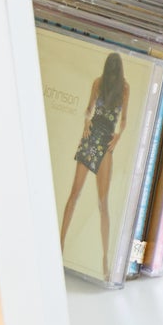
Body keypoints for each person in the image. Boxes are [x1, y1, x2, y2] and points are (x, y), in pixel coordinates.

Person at [59, 52, 130, 267]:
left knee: (103, 203)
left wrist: (119, 135)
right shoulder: (98, 83)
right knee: (74, 194)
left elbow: (124, 119)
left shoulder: (124, 88)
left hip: (107, 139)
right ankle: (59, 245)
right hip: (92, 135)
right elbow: (89, 109)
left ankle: (105, 258)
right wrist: (86, 121)